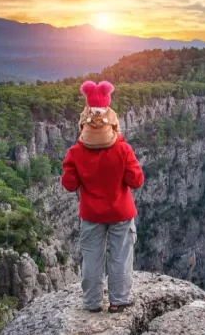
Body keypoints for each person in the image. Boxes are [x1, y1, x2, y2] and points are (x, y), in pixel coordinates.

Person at [61, 80, 144, 313]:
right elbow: (136, 181)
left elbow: (68, 184)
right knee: (120, 258)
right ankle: (118, 301)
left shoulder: (75, 152)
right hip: (120, 213)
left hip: (91, 215)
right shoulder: (122, 149)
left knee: (91, 260)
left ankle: (92, 303)